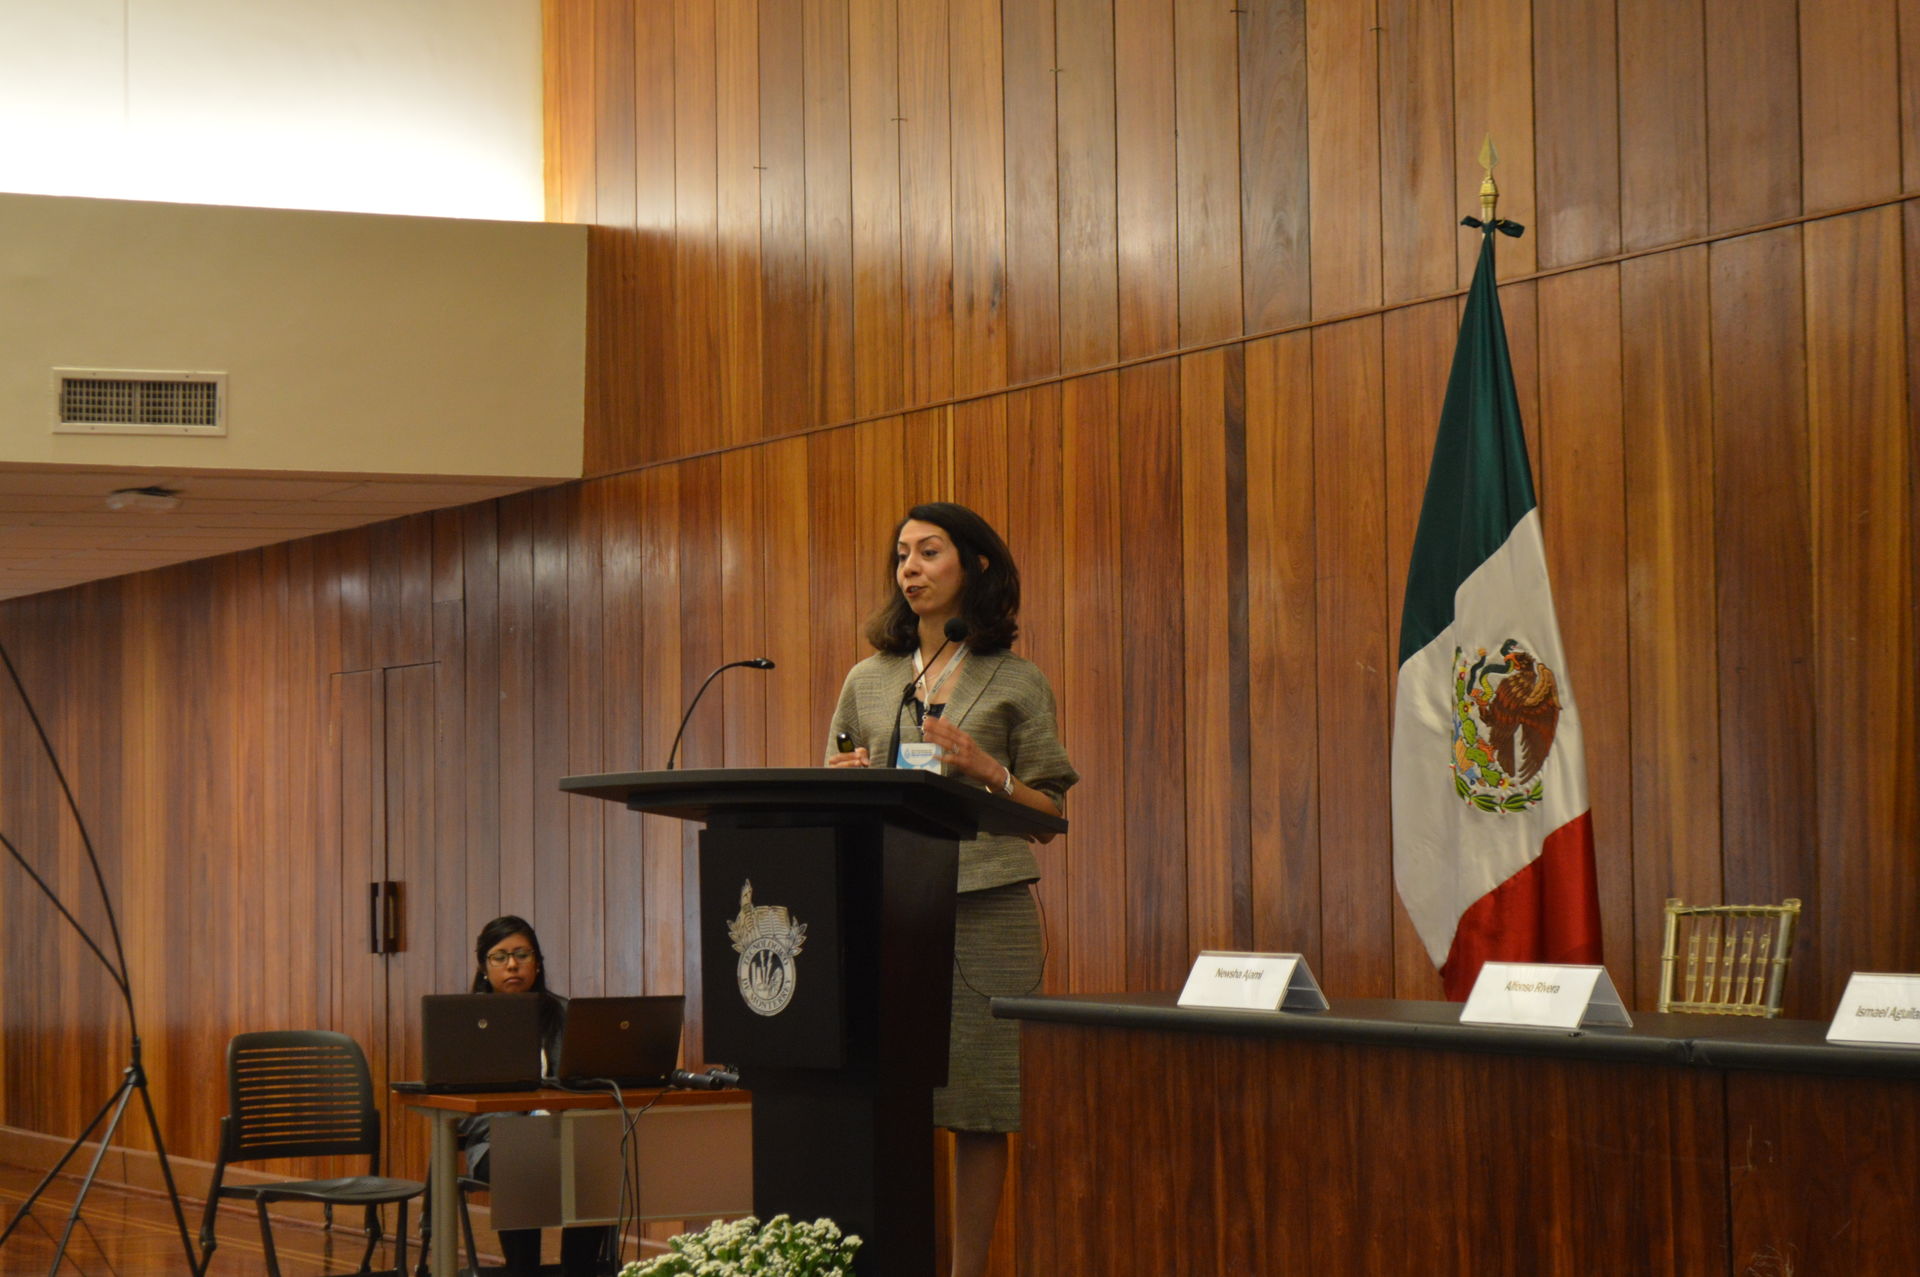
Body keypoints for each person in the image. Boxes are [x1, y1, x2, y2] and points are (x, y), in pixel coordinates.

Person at [824, 502, 1077, 1277]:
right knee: (882, 1102)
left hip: (988, 907)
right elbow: (831, 779)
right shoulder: (868, 679)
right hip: (890, 906)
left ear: (975, 567)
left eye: (929, 552)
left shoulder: (1016, 680)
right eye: (901, 553)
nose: (910, 568)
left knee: (977, 1107)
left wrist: (984, 768)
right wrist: (840, 780)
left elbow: (1049, 813)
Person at [458, 915, 614, 1277]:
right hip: (495, 1143)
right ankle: (522, 1269)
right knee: (522, 1157)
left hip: (565, 1136)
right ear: (484, 967)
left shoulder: (566, 1014)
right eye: (499, 956)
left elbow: (589, 1079)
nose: (512, 964)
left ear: (538, 962)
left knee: (598, 1164)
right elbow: (463, 1110)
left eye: (521, 954)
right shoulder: (465, 1021)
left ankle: (580, 1270)